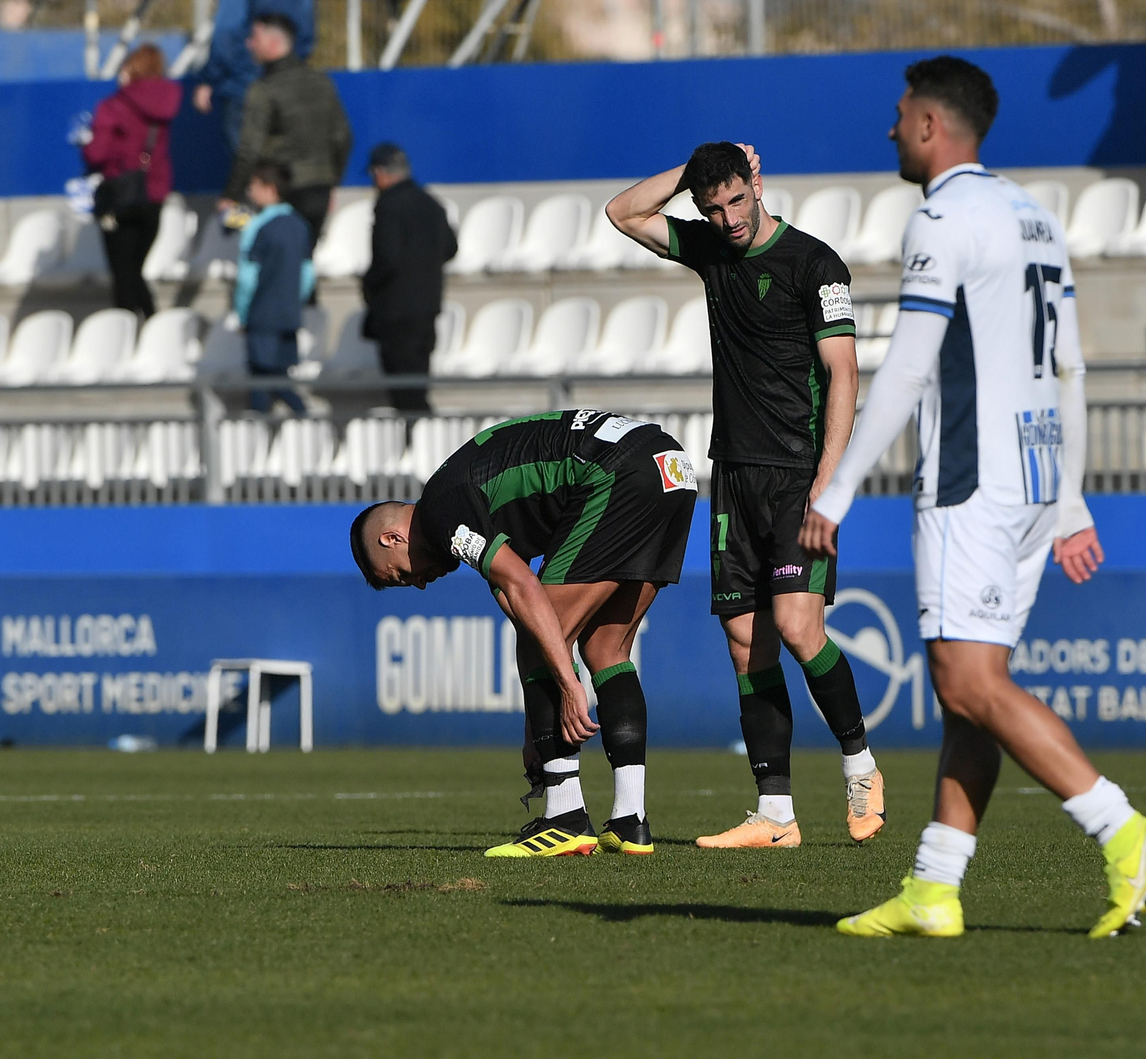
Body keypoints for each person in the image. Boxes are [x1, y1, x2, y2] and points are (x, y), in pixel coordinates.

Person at [799, 56, 1146, 941]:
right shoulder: (1036, 215)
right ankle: (935, 888)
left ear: (931, 126)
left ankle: (1124, 831)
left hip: (973, 486)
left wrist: (839, 487)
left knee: (967, 681)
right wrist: (1073, 499)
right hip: (1037, 480)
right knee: (974, 688)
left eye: (899, 115)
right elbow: (1071, 368)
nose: (890, 128)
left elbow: (908, 364)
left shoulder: (942, 218)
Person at [608, 142, 885, 850]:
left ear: (757, 184)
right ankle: (776, 815)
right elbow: (622, 211)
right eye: (712, 206)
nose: (728, 218)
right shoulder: (710, 250)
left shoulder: (816, 264)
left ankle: (861, 766)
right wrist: (695, 164)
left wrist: (831, 477)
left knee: (797, 628)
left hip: (799, 475)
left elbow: (845, 374)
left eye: (736, 199)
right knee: (744, 644)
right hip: (733, 473)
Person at [350, 410, 698, 858]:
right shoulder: (464, 501)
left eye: (398, 576)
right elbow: (518, 604)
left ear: (392, 539)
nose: (416, 583)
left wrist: (569, 685)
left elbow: (525, 589)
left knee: (541, 641)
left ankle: (564, 818)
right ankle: (631, 821)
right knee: (605, 648)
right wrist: (535, 731)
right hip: (670, 468)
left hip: (619, 472)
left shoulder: (442, 512)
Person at [221, 12, 352, 252]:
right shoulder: (321, 82)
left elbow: (249, 148)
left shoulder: (264, 89)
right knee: (305, 264)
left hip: (282, 190)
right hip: (320, 190)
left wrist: (232, 195)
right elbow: (342, 137)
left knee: (279, 266)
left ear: (273, 43)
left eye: (254, 37)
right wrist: (331, 182)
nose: (249, 44)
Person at [81, 45, 182, 320]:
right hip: (154, 196)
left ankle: (133, 332)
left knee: (124, 274)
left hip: (121, 196)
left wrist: (87, 144)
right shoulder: (165, 102)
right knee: (135, 270)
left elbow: (96, 153)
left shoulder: (114, 106)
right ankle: (151, 327)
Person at [360, 143, 458, 416]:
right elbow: (451, 248)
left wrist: (368, 285)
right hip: (426, 308)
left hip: (395, 313)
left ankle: (421, 447)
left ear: (380, 173)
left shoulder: (388, 206)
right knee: (418, 384)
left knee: (404, 394)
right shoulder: (431, 203)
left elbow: (386, 259)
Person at [193, 0, 316, 157]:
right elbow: (306, 32)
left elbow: (228, 30)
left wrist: (210, 77)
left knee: (249, 167)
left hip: (244, 85)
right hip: (289, 84)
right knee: (284, 166)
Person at [235, 162, 314, 416]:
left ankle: (300, 419)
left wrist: (244, 313)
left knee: (264, 382)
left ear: (270, 189)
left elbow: (247, 278)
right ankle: (304, 420)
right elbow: (307, 274)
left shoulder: (258, 227)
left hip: (262, 316)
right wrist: (292, 303)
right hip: (289, 316)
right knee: (280, 376)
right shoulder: (300, 225)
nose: (250, 191)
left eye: (254, 186)